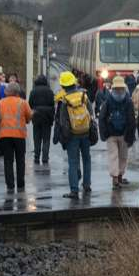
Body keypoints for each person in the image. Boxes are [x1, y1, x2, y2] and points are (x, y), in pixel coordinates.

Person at [53, 71, 95, 199]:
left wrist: (64, 137)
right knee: (86, 159)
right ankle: (87, 185)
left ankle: (74, 190)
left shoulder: (63, 100)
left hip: (72, 135)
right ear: (74, 82)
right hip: (85, 132)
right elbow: (90, 112)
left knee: (73, 162)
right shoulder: (83, 96)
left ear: (63, 85)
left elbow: (62, 120)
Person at [99, 76, 135, 190]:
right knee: (123, 157)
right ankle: (119, 176)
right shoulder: (128, 101)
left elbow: (102, 118)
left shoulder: (108, 100)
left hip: (111, 135)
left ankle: (114, 179)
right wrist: (131, 136)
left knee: (113, 156)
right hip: (124, 134)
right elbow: (131, 120)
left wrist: (104, 134)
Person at [0, 83, 33, 192]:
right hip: (19, 135)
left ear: (6, 92)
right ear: (17, 92)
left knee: (8, 161)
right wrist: (26, 121)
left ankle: (10, 184)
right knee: (20, 160)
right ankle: (20, 183)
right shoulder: (22, 102)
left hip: (4, 135)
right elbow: (29, 116)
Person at [28, 75, 55, 164]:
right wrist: (52, 117)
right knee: (46, 139)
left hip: (36, 116)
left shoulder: (33, 91)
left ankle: (36, 157)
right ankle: (45, 157)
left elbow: (30, 104)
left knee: (37, 138)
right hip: (47, 117)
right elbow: (52, 105)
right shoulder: (50, 91)